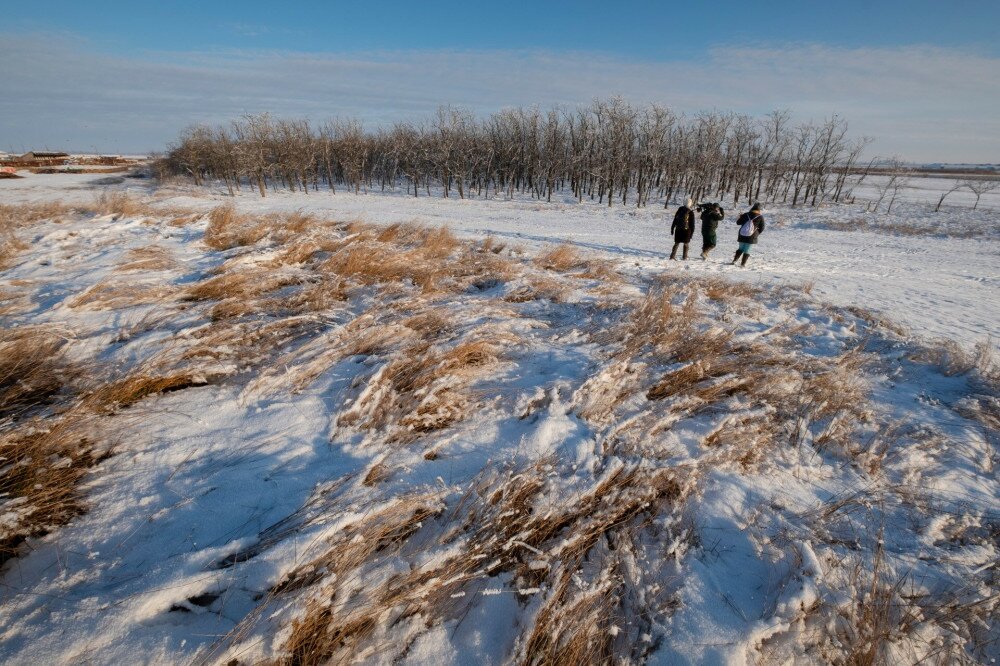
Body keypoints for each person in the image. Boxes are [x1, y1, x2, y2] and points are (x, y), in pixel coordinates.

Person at [731, 202, 765, 267]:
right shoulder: (760, 217)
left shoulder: (746, 214)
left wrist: (741, 217)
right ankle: (742, 264)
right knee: (747, 250)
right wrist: (757, 233)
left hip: (742, 234)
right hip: (752, 236)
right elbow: (762, 227)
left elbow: (738, 223)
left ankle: (734, 260)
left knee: (740, 248)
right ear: (759, 209)